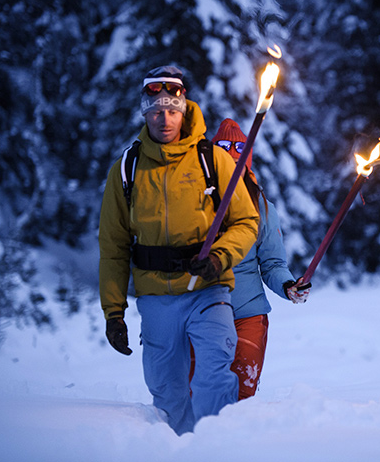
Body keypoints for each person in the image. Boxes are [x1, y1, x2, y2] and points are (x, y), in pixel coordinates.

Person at [98, 66, 259, 435]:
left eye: (172, 110)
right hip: (155, 296)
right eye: (155, 111)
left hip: (208, 290)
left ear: (184, 109)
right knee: (167, 390)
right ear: (145, 113)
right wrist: (113, 312)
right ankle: (179, 450)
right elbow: (113, 246)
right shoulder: (127, 169)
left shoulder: (213, 160)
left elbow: (245, 222)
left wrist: (219, 257)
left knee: (215, 370)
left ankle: (216, 448)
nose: (164, 118)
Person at [202, 118, 312, 400]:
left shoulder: (262, 207)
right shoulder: (194, 201)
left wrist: (288, 286)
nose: (231, 153)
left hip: (247, 314)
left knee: (241, 396)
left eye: (239, 148)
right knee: (200, 396)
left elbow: (273, 263)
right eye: (224, 147)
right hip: (201, 313)